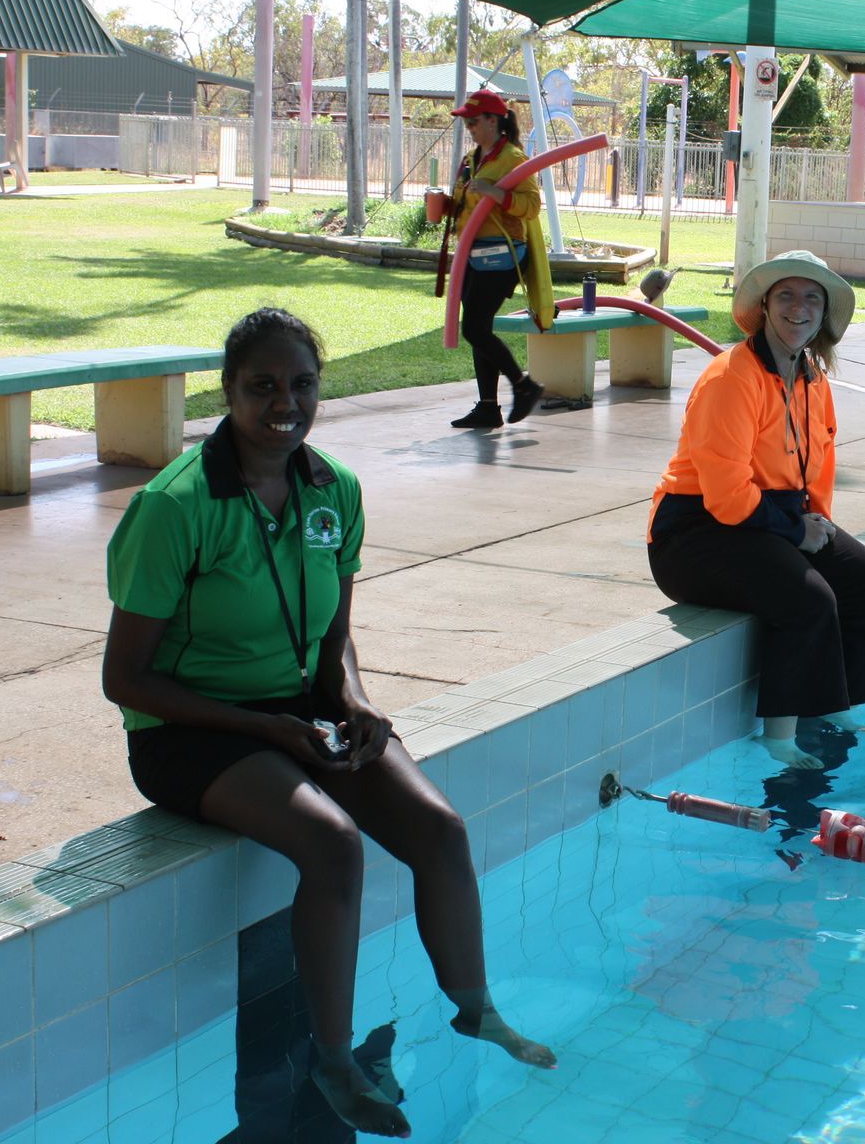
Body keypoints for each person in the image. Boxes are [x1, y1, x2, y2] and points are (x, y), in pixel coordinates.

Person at [102, 308, 554, 1139]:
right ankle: (333, 1056)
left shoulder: (332, 489)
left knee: (439, 828)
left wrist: (352, 700)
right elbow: (124, 678)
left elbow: (334, 636)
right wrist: (270, 731)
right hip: (188, 730)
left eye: (302, 384)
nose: (286, 402)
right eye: (262, 386)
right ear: (229, 393)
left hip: (302, 711)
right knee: (333, 843)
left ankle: (474, 1007)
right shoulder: (178, 506)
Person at [647, 251, 865, 770]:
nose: (800, 308)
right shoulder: (732, 378)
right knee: (809, 601)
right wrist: (797, 535)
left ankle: (832, 701)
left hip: (769, 520)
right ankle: (778, 737)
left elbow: (818, 468)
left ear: (824, 314)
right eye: (788, 295)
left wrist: (818, 526)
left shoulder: (812, 377)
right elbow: (726, 496)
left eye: (812, 298)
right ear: (765, 306)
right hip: (694, 533)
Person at [444, 90, 547, 428]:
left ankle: (523, 386)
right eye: (467, 122)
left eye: (474, 121)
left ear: (493, 120)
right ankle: (489, 406)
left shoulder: (513, 159)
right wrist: (446, 205)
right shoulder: (475, 159)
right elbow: (468, 201)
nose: (470, 128)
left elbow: (531, 207)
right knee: (479, 328)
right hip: (474, 255)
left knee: (473, 327)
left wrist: (494, 193)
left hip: (501, 256)